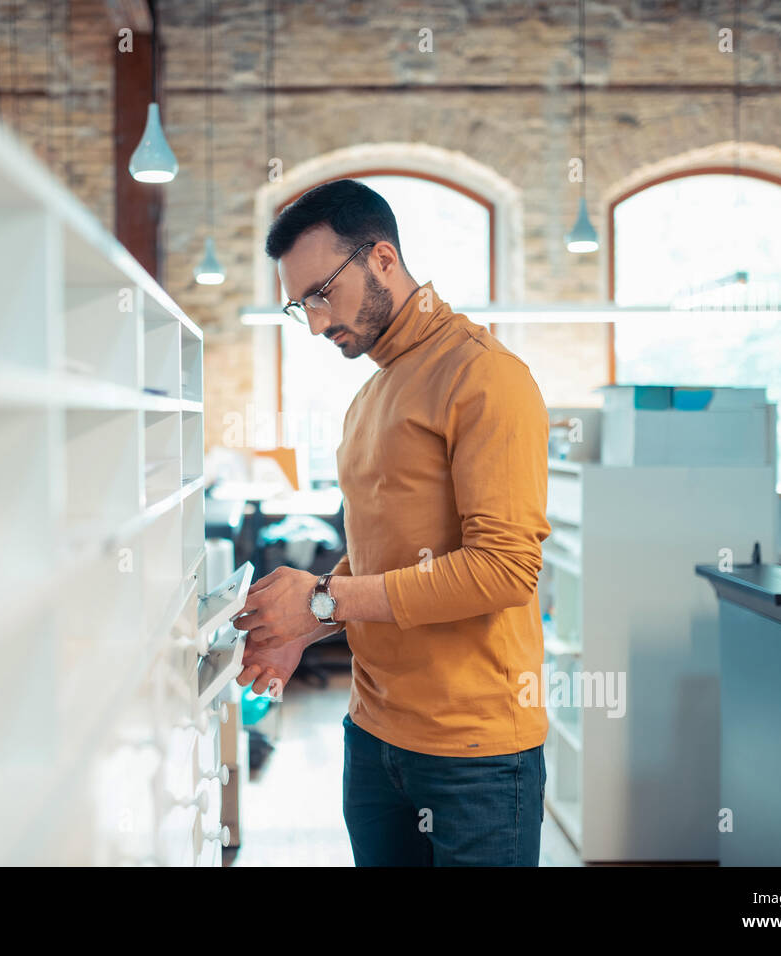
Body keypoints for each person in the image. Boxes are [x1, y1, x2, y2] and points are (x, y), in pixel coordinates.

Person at [231, 178, 551, 866]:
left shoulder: (485, 376)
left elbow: (505, 569)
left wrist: (323, 596)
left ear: (382, 258)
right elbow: (382, 562)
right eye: (299, 305)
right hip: (373, 739)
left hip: (474, 757)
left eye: (322, 293)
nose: (315, 323)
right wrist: (310, 624)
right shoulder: (370, 394)